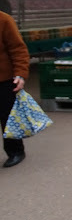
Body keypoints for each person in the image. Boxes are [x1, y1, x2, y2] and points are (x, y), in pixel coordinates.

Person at [1, 11, 29, 167]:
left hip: (4, 79)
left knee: (8, 118)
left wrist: (20, 73)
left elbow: (18, 49)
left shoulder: (4, 20)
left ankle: (15, 151)